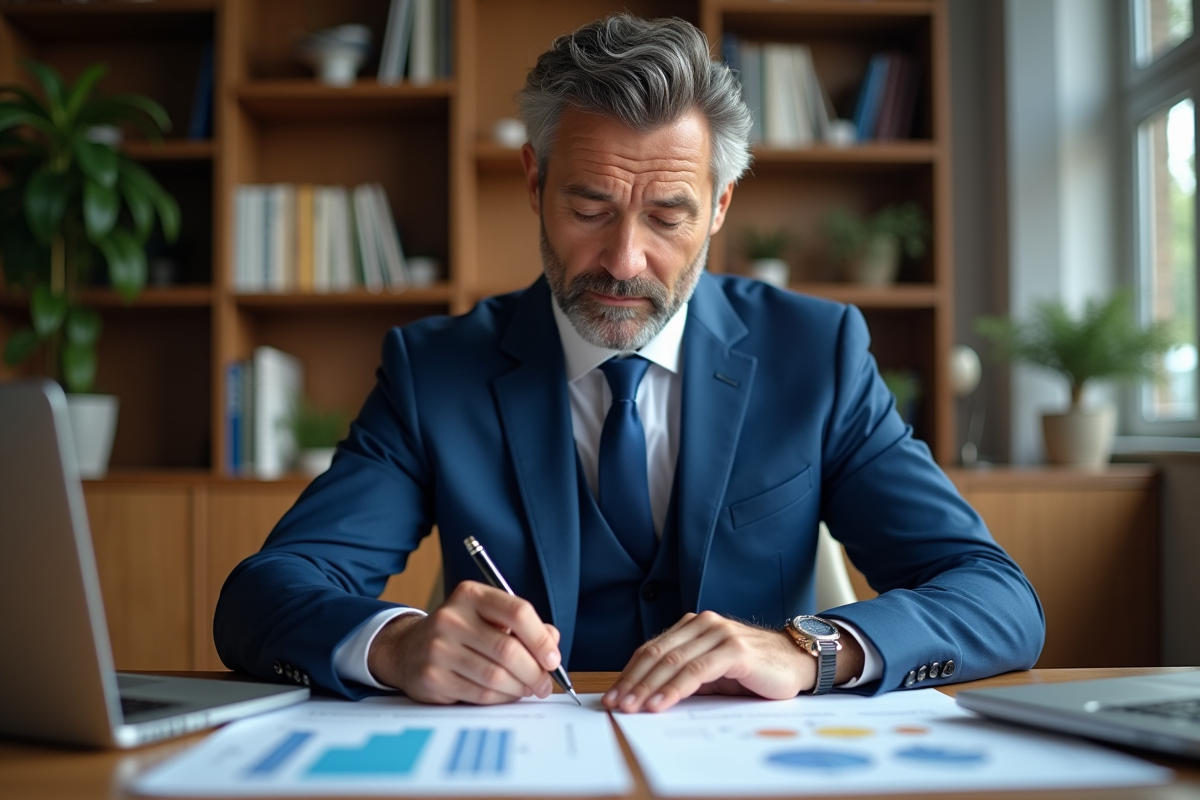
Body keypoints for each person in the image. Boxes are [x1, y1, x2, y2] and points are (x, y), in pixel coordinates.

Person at [215, 14, 1044, 713]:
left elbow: (996, 598)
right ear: (533, 182)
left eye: (669, 215)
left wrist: (812, 650)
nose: (624, 259)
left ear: (720, 206)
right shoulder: (436, 369)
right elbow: (265, 594)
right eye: (589, 206)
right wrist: (395, 645)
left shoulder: (815, 355)